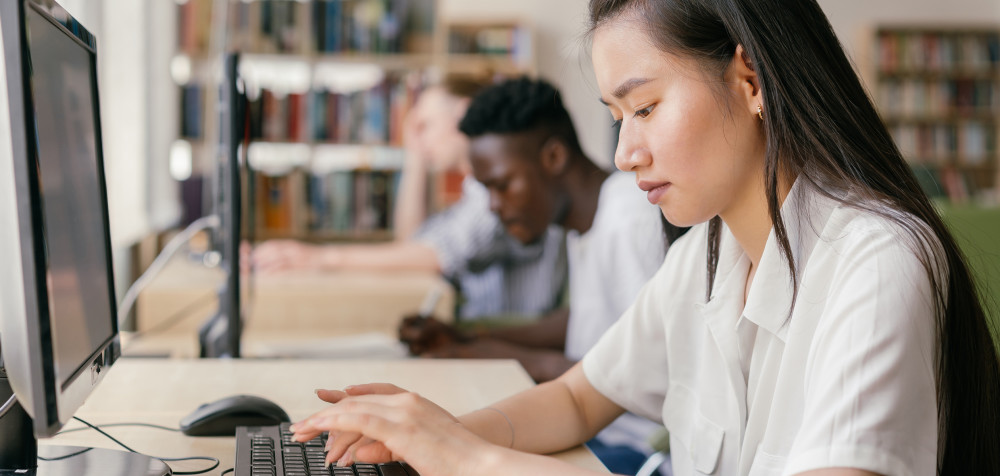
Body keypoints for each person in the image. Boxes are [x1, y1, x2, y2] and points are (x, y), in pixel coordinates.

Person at [289, 1, 1000, 475]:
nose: (626, 151)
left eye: (646, 107)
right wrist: (431, 437)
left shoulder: (877, 261)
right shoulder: (705, 256)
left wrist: (469, 460)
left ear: (750, 79)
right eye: (617, 116)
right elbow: (576, 399)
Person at [397, 77, 684, 474]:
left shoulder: (628, 219)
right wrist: (471, 336)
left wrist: (488, 353)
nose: (495, 206)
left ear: (552, 157)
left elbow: (638, 373)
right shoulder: (583, 220)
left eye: (502, 185)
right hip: (598, 431)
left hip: (635, 448)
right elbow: (588, 322)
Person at [251, 76, 567, 320]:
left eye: (424, 125)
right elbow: (413, 243)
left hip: (505, 338)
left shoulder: (499, 193)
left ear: (464, 113)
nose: (416, 136)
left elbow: (436, 255)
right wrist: (415, 157)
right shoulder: (473, 193)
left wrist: (319, 258)